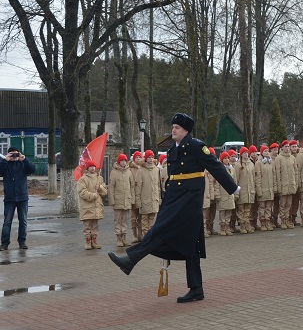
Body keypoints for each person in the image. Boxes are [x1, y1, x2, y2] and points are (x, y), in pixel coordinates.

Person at [108, 113, 239, 303]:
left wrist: (233, 188)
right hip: (174, 198)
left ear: (186, 130)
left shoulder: (196, 146)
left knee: (160, 229)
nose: (173, 130)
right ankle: (196, 289)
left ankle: (130, 260)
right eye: (173, 127)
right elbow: (172, 178)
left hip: (189, 201)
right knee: (192, 243)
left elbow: (215, 167)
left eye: (177, 127)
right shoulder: (172, 150)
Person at [0, 146, 36, 250]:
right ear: (8, 155)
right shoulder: (5, 165)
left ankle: (22, 242)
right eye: (12, 154)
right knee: (7, 222)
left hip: (22, 198)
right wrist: (4, 160)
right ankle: (4, 243)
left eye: (16, 154)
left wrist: (24, 159)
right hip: (10, 198)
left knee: (23, 221)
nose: (14, 156)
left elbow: (32, 169)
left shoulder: (23, 164)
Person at [78, 161, 107, 250]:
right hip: (87, 207)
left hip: (96, 207)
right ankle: (87, 242)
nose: (93, 168)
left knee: (95, 226)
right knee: (87, 226)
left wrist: (100, 188)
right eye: (91, 167)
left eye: (94, 166)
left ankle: (94, 241)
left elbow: (105, 192)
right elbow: (82, 192)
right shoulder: (83, 179)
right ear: (87, 168)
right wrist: (93, 195)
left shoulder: (100, 178)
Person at [108, 153, 135, 248]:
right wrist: (112, 200)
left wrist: (132, 199)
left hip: (127, 201)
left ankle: (124, 237)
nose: (123, 162)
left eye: (125, 160)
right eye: (122, 160)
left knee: (125, 220)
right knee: (118, 220)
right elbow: (111, 187)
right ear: (119, 162)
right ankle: (118, 238)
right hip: (118, 201)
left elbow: (132, 186)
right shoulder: (114, 172)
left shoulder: (129, 172)